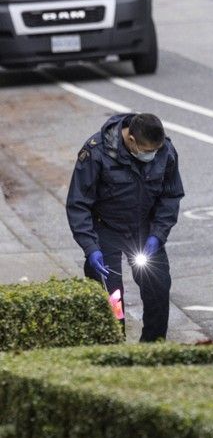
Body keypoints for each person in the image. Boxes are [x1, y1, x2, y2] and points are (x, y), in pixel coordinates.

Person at [66, 112, 184, 341]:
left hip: (143, 229)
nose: (152, 155)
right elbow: (78, 203)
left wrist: (157, 235)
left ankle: (152, 348)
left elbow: (171, 196)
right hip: (106, 229)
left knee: (158, 288)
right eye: (148, 151)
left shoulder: (165, 151)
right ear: (130, 140)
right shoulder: (97, 152)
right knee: (112, 298)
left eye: (155, 151)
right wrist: (91, 248)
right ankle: (114, 346)